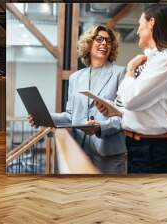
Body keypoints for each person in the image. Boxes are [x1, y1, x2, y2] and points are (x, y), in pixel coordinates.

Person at [96, 4, 167, 173]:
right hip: (142, 147)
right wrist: (115, 110)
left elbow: (132, 99)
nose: (138, 31)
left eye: (140, 24)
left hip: (154, 150)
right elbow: (145, 107)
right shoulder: (155, 60)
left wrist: (130, 70)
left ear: (152, 22)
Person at [28, 25, 127, 174]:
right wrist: (43, 118)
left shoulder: (120, 73)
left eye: (108, 41)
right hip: (80, 150)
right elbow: (70, 116)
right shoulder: (76, 78)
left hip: (109, 154)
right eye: (99, 39)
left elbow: (124, 116)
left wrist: (101, 127)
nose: (104, 44)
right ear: (88, 44)